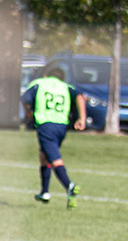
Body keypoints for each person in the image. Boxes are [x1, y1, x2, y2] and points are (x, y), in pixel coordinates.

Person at [21, 64, 87, 208]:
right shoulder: (66, 87)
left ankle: (69, 185)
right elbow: (80, 97)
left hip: (46, 124)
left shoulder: (39, 83)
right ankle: (45, 192)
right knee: (44, 156)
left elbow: (25, 99)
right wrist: (82, 118)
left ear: (46, 76)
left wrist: (28, 113)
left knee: (55, 159)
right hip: (62, 126)